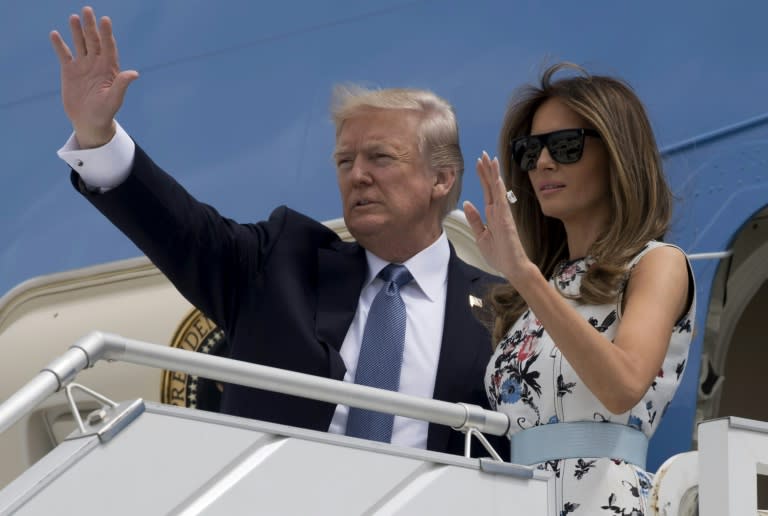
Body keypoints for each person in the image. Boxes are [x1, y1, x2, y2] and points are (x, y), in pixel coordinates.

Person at [50, 7, 504, 457]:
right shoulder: (281, 264)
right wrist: (98, 135)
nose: (357, 175)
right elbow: (182, 230)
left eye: (380, 158)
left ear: (441, 179)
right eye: (345, 162)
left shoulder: (508, 310)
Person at [462, 63, 696, 514]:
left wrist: (524, 275)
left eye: (565, 146)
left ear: (617, 153)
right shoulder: (537, 292)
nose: (543, 162)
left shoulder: (657, 264)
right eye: (530, 151)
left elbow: (623, 385)